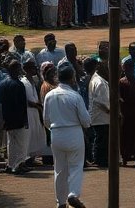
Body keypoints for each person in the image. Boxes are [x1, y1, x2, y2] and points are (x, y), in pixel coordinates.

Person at [44, 63, 91, 208]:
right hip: (73, 133)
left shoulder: (49, 95)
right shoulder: (75, 96)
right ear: (72, 78)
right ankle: (73, 194)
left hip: (56, 133)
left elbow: (46, 120)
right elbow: (86, 121)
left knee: (59, 169)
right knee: (76, 166)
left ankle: (60, 202)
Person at [0, 61, 30, 173]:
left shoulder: (2, 84)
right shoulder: (19, 84)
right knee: (21, 143)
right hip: (18, 119)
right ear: (15, 70)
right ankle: (19, 165)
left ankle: (10, 164)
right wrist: (25, 119)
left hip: (8, 119)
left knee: (10, 143)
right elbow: (22, 104)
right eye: (18, 69)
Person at [85, 56, 110, 168]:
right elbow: (101, 101)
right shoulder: (99, 81)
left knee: (101, 138)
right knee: (102, 139)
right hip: (102, 116)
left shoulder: (97, 80)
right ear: (97, 67)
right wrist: (110, 111)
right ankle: (100, 160)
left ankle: (100, 159)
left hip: (99, 116)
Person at [22, 60, 48, 165]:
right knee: (29, 135)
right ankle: (26, 158)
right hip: (29, 111)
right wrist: (36, 105)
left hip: (35, 111)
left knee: (36, 135)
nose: (35, 69)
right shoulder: (24, 82)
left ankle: (32, 157)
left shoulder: (33, 80)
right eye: (33, 68)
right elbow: (25, 99)